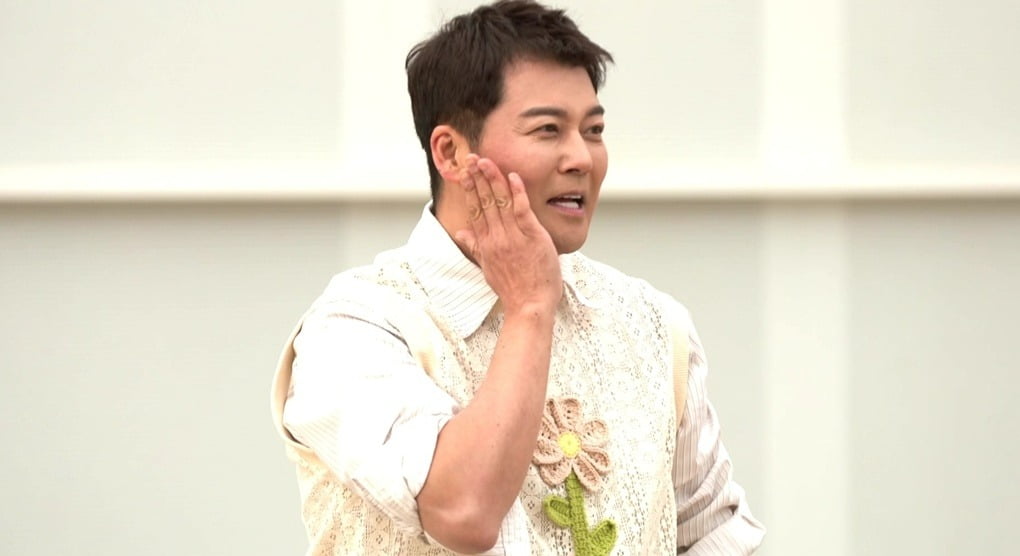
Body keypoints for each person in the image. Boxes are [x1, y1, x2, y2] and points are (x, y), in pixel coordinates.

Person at [270, 1, 765, 553]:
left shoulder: (651, 323)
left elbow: (713, 532)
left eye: (594, 130)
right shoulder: (355, 328)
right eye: (548, 129)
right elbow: (463, 511)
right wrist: (530, 307)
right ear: (450, 152)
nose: (581, 158)